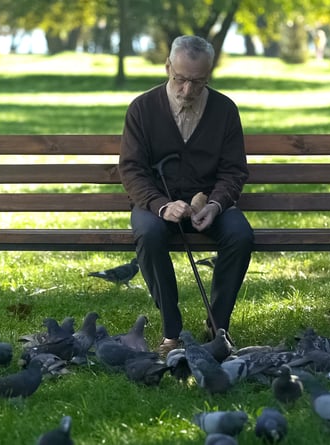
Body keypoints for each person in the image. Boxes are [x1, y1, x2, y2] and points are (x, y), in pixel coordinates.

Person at [118, 35, 254, 356]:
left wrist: (217, 204)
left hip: (209, 205)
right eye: (179, 80)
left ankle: (217, 324)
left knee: (240, 235)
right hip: (156, 205)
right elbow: (132, 169)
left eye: (198, 82)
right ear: (168, 67)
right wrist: (161, 206)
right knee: (149, 234)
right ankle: (171, 330)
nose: (187, 91)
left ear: (209, 75)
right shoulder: (142, 108)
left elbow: (234, 171)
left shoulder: (224, 110)